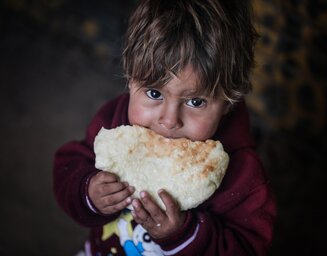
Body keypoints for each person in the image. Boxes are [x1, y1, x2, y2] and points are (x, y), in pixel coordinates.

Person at [53, 0, 276, 255]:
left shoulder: (244, 176)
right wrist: (88, 191)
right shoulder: (114, 125)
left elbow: (248, 248)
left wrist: (183, 234)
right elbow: (67, 167)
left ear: (228, 102)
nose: (169, 121)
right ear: (130, 78)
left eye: (195, 101)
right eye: (154, 93)